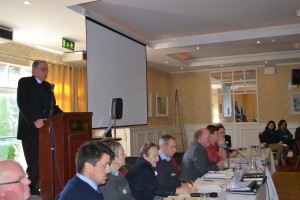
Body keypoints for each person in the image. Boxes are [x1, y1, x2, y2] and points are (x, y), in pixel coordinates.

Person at [17, 60, 62, 195]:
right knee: (35, 165)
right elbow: (22, 103)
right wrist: (34, 120)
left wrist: (65, 116)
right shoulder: (24, 82)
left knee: (45, 163)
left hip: (45, 132)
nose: (46, 72)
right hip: (30, 132)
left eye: (47, 70)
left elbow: (53, 108)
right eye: (43, 69)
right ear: (33, 70)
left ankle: (42, 191)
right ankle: (29, 192)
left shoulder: (48, 86)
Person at [126, 143, 193, 200]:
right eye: (155, 156)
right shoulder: (142, 169)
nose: (158, 159)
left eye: (158, 156)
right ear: (145, 156)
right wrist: (178, 190)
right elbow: (156, 189)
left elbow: (157, 186)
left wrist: (179, 188)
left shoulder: (145, 165)